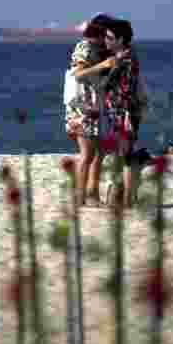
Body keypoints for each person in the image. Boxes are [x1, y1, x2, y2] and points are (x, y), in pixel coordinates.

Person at [65, 13, 117, 206]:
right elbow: (77, 74)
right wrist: (103, 65)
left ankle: (92, 195)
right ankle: (80, 197)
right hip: (82, 108)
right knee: (87, 155)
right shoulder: (84, 47)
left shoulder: (99, 48)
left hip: (95, 106)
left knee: (98, 154)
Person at [100, 18, 148, 208]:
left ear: (121, 40)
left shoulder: (122, 60)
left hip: (123, 113)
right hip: (126, 112)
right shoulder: (131, 56)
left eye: (110, 38)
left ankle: (126, 200)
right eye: (106, 37)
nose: (106, 41)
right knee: (124, 155)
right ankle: (126, 198)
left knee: (124, 157)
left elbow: (106, 86)